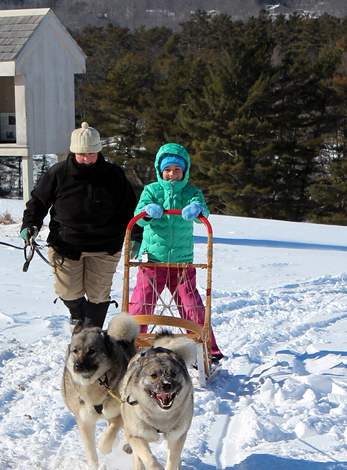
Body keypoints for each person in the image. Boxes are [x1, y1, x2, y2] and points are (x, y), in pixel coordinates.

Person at [21, 122, 138, 328]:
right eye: (82, 154)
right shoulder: (58, 174)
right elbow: (38, 202)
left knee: (99, 295)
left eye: (92, 154)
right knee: (68, 292)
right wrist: (30, 225)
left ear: (99, 152)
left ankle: (91, 335)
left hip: (105, 245)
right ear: (73, 152)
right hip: (66, 244)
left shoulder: (113, 174)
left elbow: (130, 208)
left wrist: (136, 236)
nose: (87, 159)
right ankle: (78, 312)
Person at [129, 143, 224, 362]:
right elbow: (139, 217)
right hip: (153, 261)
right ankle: (129, 345)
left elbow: (203, 208)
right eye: (168, 170)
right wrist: (148, 211)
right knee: (140, 304)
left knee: (192, 306)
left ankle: (208, 350)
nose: (172, 174)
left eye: (177, 170)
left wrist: (197, 209)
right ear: (160, 171)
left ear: (185, 171)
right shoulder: (152, 190)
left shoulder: (191, 192)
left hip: (181, 263)